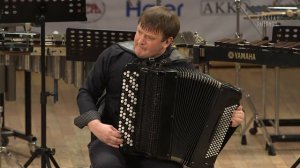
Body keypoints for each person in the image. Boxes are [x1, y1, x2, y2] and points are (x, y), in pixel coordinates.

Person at [75, 6, 245, 168]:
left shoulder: (181, 69)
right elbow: (86, 92)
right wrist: (95, 124)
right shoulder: (114, 55)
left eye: (149, 37)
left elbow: (204, 123)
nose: (140, 41)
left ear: (167, 42)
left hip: (160, 152)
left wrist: (228, 121)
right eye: (139, 32)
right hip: (111, 141)